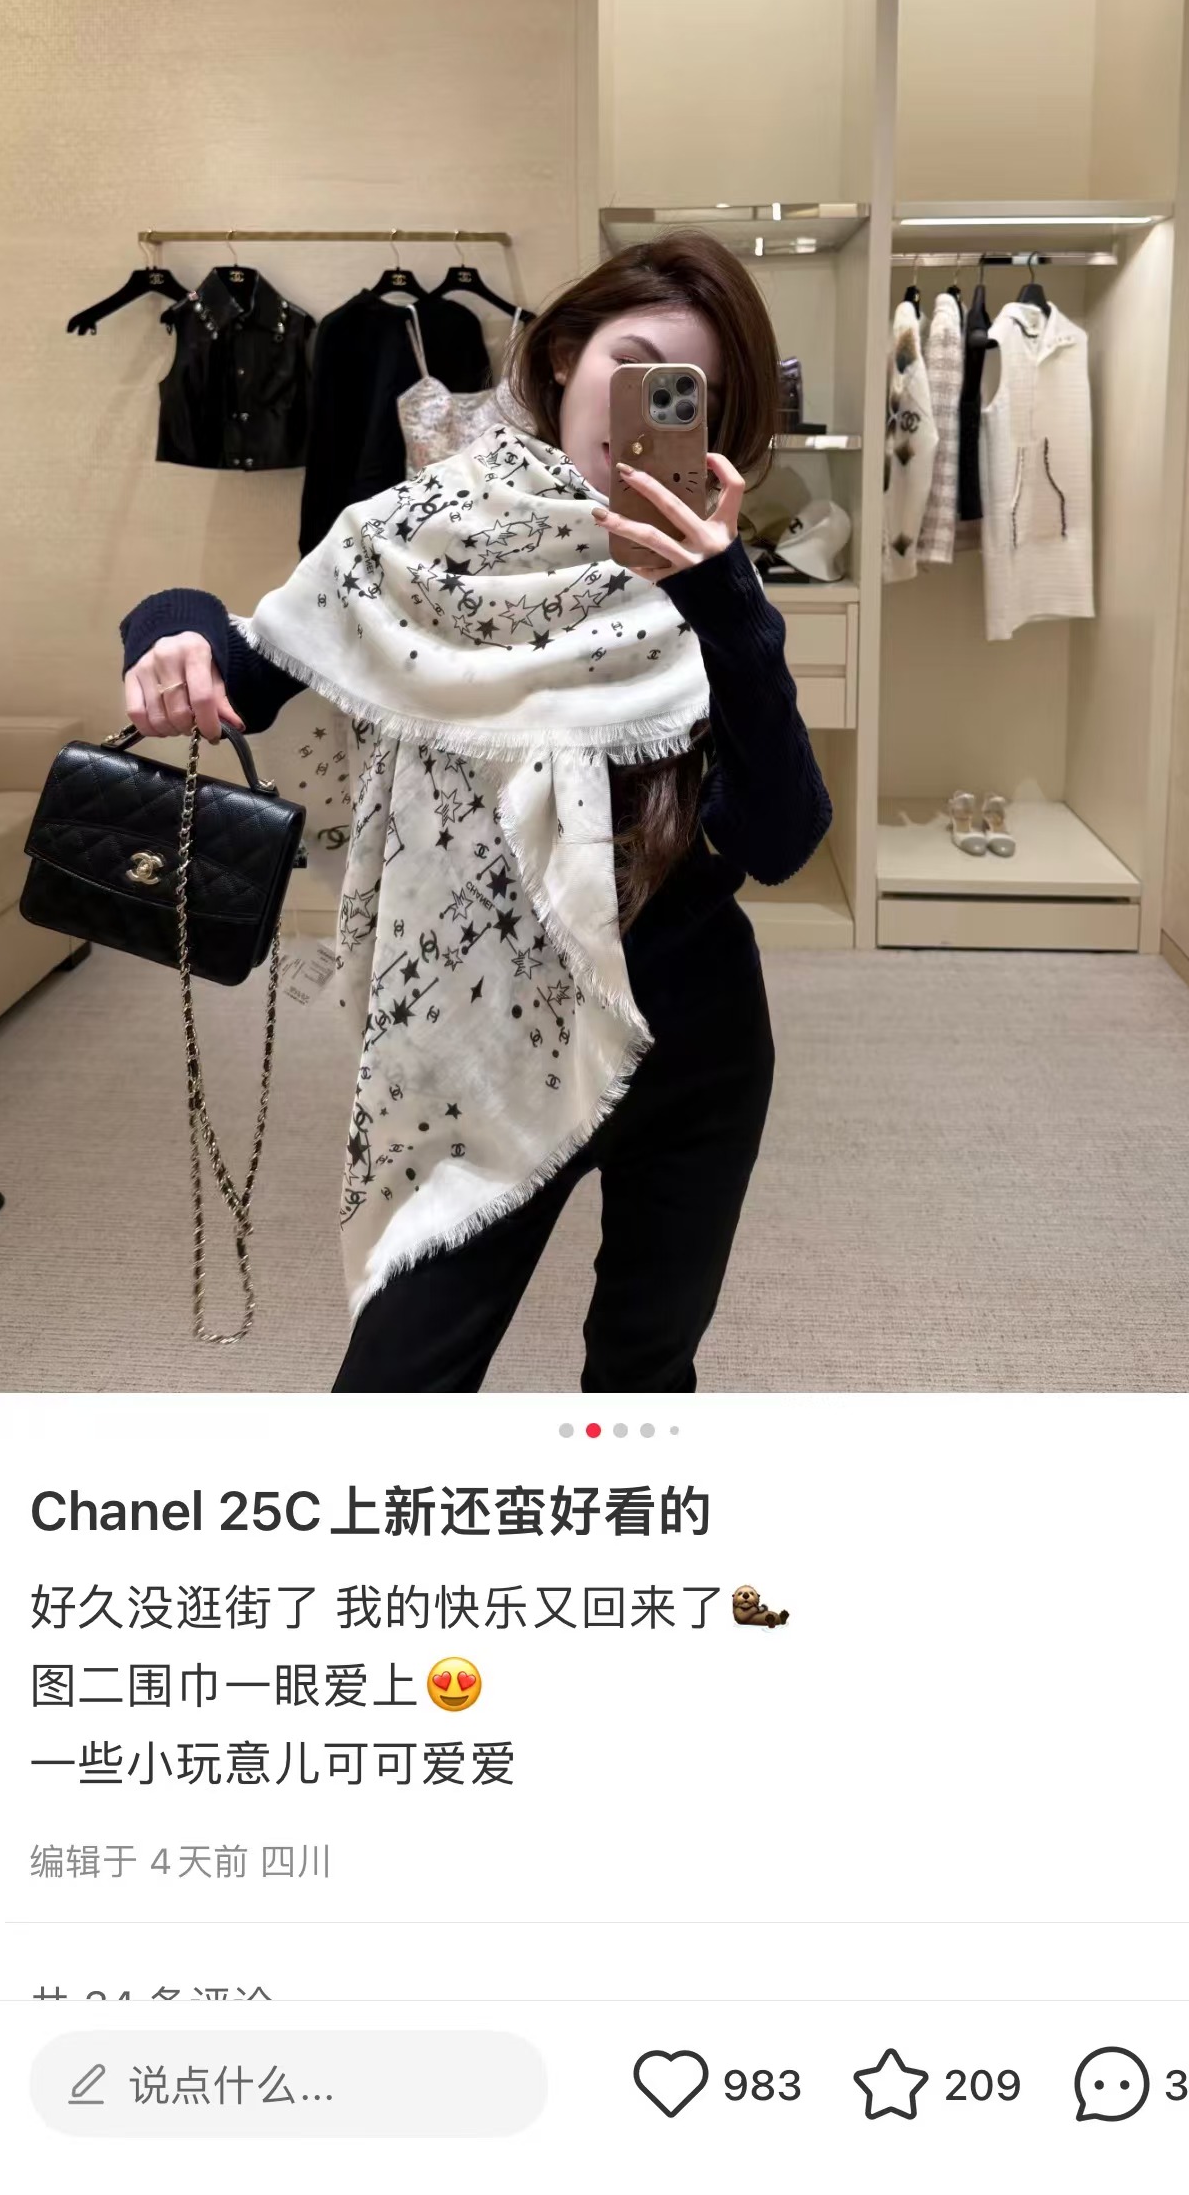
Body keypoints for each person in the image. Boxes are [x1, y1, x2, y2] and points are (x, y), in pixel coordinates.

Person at [119, 232, 832, 1391]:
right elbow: (242, 659)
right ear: (560, 357)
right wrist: (168, 635)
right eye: (637, 368)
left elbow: (781, 840)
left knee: (645, 1377)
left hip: (694, 1037)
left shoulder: (709, 581)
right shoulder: (414, 534)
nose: (650, 411)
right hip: (477, 1043)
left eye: (692, 394)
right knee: (399, 1386)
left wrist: (726, 606)